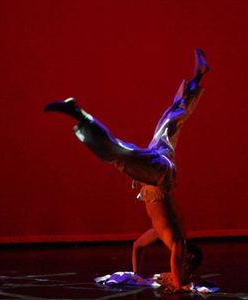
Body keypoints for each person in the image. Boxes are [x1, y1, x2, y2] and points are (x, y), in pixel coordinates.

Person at [44, 49, 209, 290]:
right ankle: (78, 113)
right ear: (189, 257)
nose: (183, 263)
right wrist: (179, 281)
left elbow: (137, 246)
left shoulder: (159, 233)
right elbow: (176, 276)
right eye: (187, 262)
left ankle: (198, 76)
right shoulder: (177, 242)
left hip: (161, 168)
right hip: (158, 176)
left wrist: (137, 275)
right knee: (119, 154)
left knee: (170, 121)